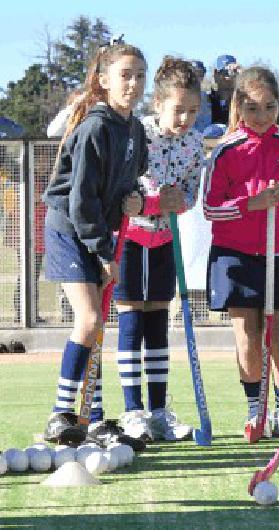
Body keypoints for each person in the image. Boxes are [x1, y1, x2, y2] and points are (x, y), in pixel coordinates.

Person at [40, 42, 148, 449]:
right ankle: (61, 412)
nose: (134, 84)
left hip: (98, 230)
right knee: (88, 321)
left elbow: (131, 181)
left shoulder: (135, 128)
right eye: (125, 75)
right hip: (70, 229)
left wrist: (135, 197)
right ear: (104, 81)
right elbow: (79, 199)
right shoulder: (96, 127)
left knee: (97, 325)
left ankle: (93, 417)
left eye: (140, 76)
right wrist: (104, 252)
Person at [203, 66, 279, 439]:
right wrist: (250, 204)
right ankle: (256, 407)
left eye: (270, 107)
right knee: (248, 335)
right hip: (235, 254)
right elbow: (210, 207)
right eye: (253, 108)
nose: (262, 116)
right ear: (239, 106)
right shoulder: (226, 150)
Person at [115, 57, 205, 443]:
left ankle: (157, 412)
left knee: (157, 322)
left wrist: (177, 202)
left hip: (166, 241)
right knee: (132, 318)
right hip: (132, 239)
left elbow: (190, 191)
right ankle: (132, 410)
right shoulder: (137, 134)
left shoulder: (195, 142)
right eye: (178, 110)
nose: (185, 118)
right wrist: (153, 203)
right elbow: (125, 190)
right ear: (158, 104)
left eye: (193, 111)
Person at [208, 54, 240, 129]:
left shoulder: (242, 100)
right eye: (223, 72)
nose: (227, 77)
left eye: (231, 72)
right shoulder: (206, 100)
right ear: (215, 74)